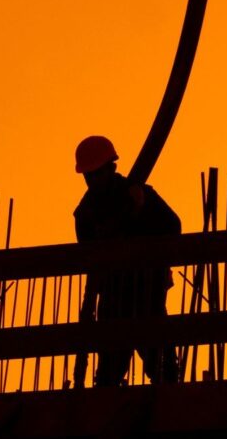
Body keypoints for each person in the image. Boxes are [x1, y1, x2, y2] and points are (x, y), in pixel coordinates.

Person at [71, 136, 182, 388]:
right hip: (114, 299)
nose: (92, 181)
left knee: (165, 371)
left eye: (96, 174)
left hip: (148, 294)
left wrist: (141, 208)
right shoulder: (86, 212)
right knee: (109, 374)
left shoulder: (138, 193)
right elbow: (88, 256)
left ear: (111, 168)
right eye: (88, 176)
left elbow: (174, 228)